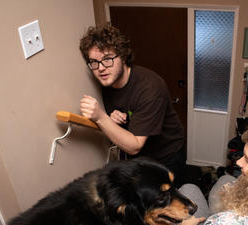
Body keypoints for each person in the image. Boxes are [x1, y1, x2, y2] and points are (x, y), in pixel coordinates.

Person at [78, 24, 185, 184]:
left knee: (168, 203)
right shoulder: (108, 79)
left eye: (107, 59)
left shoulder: (150, 88)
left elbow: (135, 145)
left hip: (166, 155)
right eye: (94, 62)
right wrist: (113, 117)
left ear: (122, 56)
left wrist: (101, 117)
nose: (100, 68)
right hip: (139, 159)